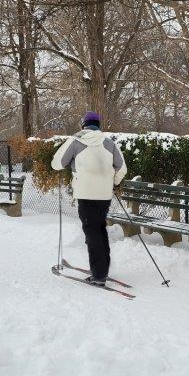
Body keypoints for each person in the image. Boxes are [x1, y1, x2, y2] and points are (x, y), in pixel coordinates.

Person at [51, 112, 127, 286]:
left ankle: (99, 275)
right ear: (98, 125)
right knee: (100, 230)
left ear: (84, 125)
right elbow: (122, 168)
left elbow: (56, 164)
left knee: (92, 233)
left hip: (85, 195)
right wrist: (113, 182)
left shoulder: (76, 141)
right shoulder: (109, 143)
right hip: (104, 195)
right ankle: (102, 269)